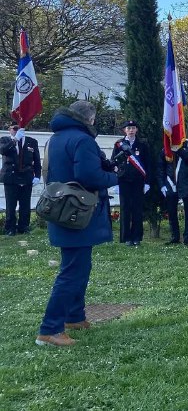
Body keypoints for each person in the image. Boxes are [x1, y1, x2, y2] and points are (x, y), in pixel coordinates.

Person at [36, 101, 118, 347]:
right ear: (90, 119)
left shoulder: (56, 139)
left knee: (78, 266)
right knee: (72, 272)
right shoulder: (83, 140)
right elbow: (88, 177)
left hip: (62, 210)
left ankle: (74, 316)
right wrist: (117, 177)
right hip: (78, 214)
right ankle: (50, 330)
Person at [111, 121, 150, 246]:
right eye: (129, 128)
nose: (131, 130)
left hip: (138, 181)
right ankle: (126, 237)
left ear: (136, 130)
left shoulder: (142, 144)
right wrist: (115, 182)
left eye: (133, 128)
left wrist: (147, 182)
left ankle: (137, 237)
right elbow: (114, 162)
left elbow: (148, 164)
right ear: (124, 130)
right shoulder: (119, 144)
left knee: (137, 209)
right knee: (125, 209)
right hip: (124, 180)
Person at [0, 124, 41, 235]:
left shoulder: (31, 141)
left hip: (26, 176)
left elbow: (36, 160)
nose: (17, 130)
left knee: (25, 204)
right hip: (11, 176)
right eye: (14, 128)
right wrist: (15, 139)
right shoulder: (4, 140)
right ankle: (10, 228)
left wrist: (37, 175)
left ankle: (24, 227)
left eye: (19, 128)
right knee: (11, 204)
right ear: (9, 130)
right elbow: (3, 151)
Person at [157, 141, 188, 246]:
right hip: (171, 184)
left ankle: (187, 238)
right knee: (171, 212)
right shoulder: (166, 149)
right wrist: (162, 184)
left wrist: (179, 150)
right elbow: (160, 168)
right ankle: (175, 236)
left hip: (186, 184)